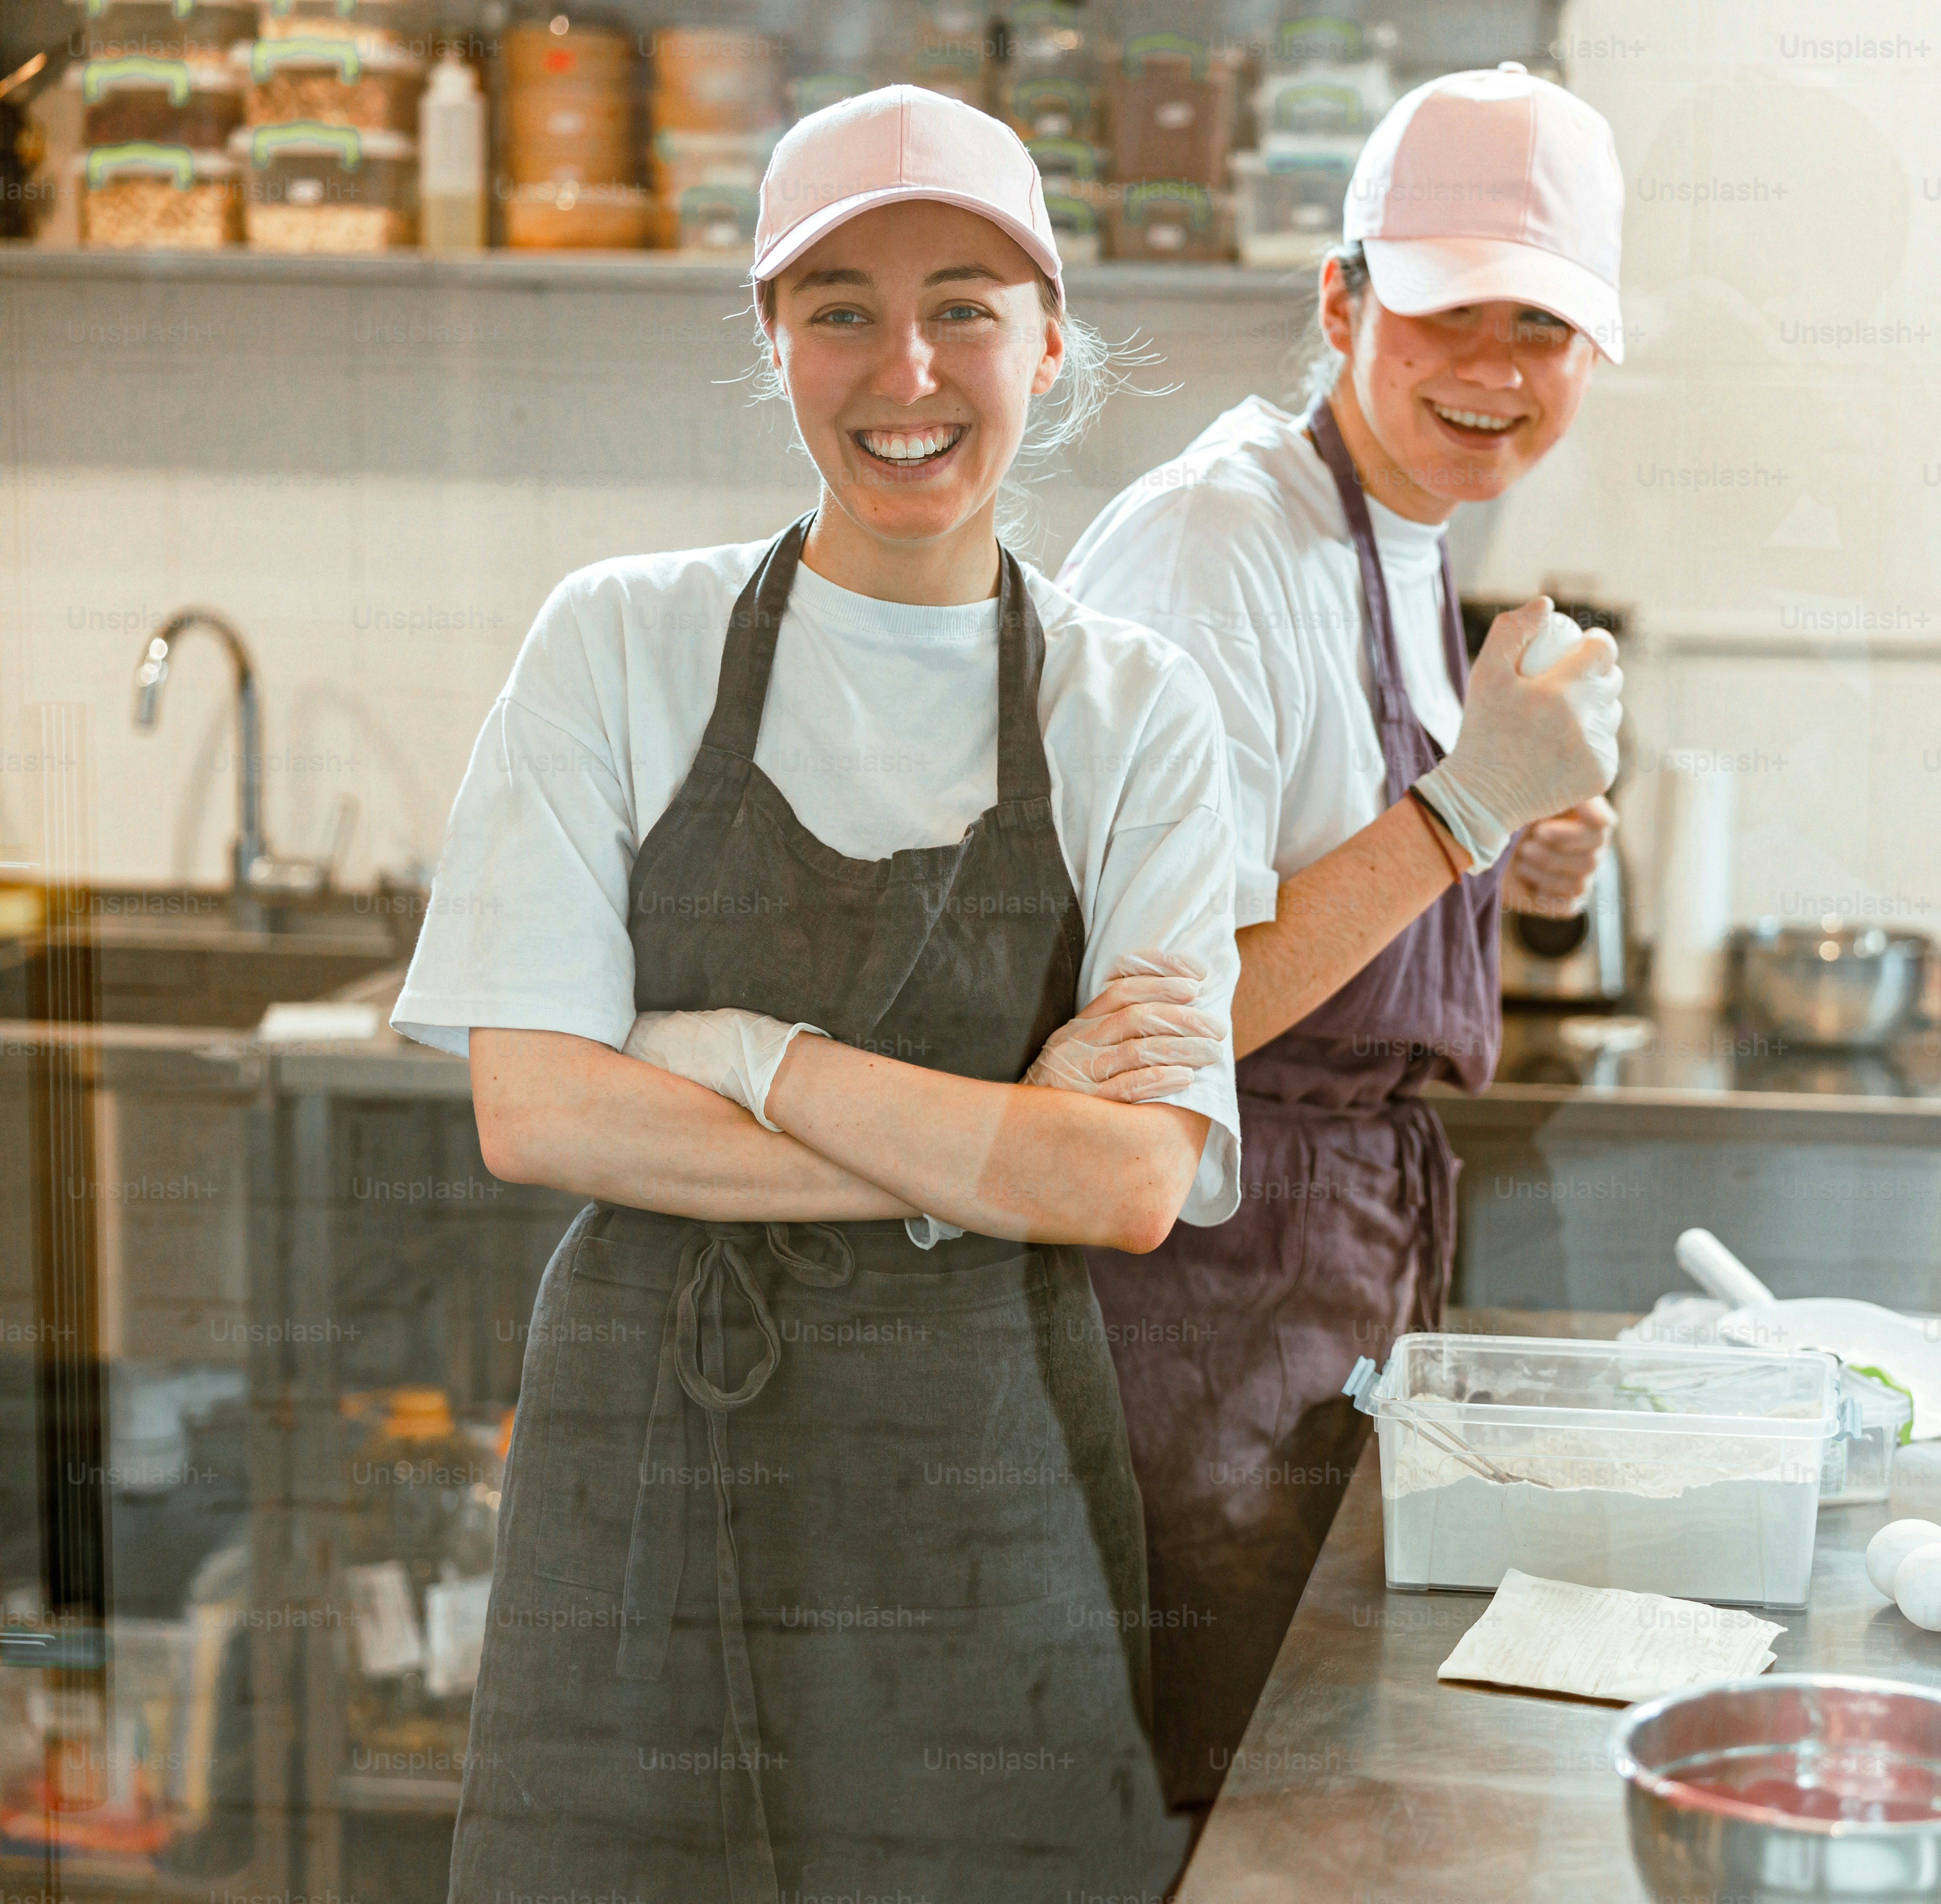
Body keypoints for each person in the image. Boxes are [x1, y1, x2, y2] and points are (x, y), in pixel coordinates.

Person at [388, 88, 1242, 1902]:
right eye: (839, 306)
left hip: (976, 1478)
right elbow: (539, 1112)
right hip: (644, 1460)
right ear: (771, 336)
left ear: (1048, 338)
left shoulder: (1134, 707)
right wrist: (990, 1151)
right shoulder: (618, 640)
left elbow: (1127, 1187)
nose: (904, 365)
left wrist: (734, 1058)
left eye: (965, 306)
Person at [1056, 62, 1628, 1807]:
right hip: (1198, 1297)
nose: (1498, 372)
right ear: (1341, 297)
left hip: (1334, 1285)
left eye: (1545, 328)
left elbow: (1336, 858)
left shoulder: (1400, 533)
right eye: (1452, 312)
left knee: (1311, 1791)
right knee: (1217, 1807)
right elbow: (1157, 1022)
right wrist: (1458, 813)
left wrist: (1518, 851)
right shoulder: (1213, 544)